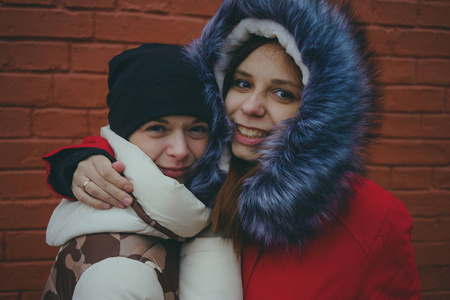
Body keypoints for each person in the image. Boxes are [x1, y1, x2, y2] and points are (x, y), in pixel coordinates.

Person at [43, 0, 422, 298]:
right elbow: (140, 150)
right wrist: (78, 161)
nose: (252, 107)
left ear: (318, 111)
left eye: (282, 93)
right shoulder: (200, 179)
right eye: (242, 83)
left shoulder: (375, 220)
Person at [42, 43, 241, 300]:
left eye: (197, 128)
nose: (180, 150)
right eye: (157, 128)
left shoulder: (214, 203)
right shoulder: (116, 271)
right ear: (125, 137)